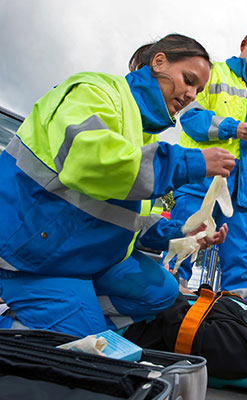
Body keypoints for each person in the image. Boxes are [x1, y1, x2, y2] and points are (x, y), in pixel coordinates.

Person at [0, 34, 235, 337]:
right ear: (159, 61)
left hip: (77, 255)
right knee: (84, 353)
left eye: (198, 90)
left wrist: (183, 234)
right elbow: (92, 161)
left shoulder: (145, 135)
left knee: (162, 290)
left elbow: (127, 221)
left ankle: (71, 315)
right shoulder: (93, 91)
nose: (191, 94)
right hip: (35, 258)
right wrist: (191, 162)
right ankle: (28, 320)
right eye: (188, 80)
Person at [170, 25, 247, 301]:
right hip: (202, 178)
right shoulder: (213, 73)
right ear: (244, 44)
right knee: (184, 243)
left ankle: (237, 314)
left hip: (244, 190)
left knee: (239, 260)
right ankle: (167, 303)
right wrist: (232, 128)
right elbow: (190, 118)